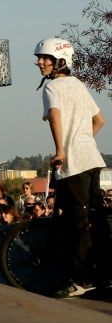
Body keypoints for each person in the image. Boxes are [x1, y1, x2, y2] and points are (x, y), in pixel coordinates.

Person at [34, 37, 108, 297]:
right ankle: (103, 275)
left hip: (74, 163)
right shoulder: (78, 84)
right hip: (92, 159)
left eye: (45, 58)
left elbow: (54, 115)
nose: (39, 62)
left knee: (77, 221)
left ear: (60, 62)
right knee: (94, 217)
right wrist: (84, 140)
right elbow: (99, 120)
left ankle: (81, 280)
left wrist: (62, 150)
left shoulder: (52, 88)